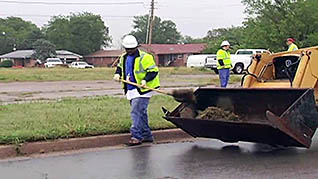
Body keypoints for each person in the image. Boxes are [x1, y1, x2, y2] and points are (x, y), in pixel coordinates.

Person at [113, 35, 160, 146]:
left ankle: (136, 136)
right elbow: (120, 67)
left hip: (144, 89)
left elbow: (153, 71)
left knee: (136, 111)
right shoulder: (123, 57)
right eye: (127, 49)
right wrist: (117, 73)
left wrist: (145, 80)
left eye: (132, 49)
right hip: (131, 88)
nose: (129, 51)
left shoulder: (145, 57)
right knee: (141, 113)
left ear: (136, 47)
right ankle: (147, 135)